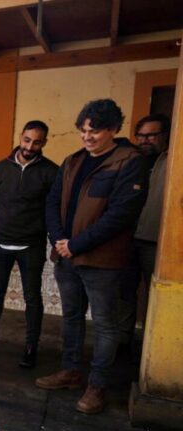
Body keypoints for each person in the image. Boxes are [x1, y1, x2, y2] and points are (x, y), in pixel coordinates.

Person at [39, 99, 149, 414]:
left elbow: (120, 215)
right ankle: (70, 371)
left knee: (105, 324)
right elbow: (52, 202)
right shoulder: (73, 160)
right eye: (83, 130)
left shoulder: (129, 162)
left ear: (113, 129)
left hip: (102, 260)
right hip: (66, 257)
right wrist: (59, 240)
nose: (87, 137)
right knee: (71, 317)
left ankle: (97, 386)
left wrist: (77, 244)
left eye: (95, 131)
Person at [0, 121, 59, 368]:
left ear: (44, 142)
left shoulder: (51, 172)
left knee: (32, 297)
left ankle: (31, 347)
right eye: (27, 140)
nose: (30, 146)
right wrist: (3, 224)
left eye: (37, 142)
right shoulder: (0, 169)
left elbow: (53, 207)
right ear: (20, 137)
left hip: (32, 245)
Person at [117, 114, 171, 358]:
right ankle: (123, 340)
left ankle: (150, 345)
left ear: (165, 135)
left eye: (151, 135)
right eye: (140, 136)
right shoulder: (132, 160)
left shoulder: (172, 160)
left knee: (155, 294)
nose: (144, 140)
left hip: (156, 241)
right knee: (125, 291)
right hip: (126, 238)